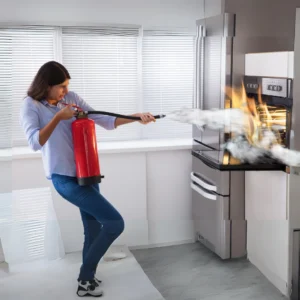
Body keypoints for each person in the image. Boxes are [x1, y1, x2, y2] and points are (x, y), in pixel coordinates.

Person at [19, 61, 156, 297]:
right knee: (115, 223)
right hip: (64, 178)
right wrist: (59, 118)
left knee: (92, 229)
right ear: (47, 85)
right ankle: (85, 275)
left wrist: (134, 117)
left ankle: (87, 280)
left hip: (87, 174)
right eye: (61, 87)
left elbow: (102, 118)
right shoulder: (31, 106)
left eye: (66, 86)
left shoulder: (70, 97)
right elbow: (34, 142)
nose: (65, 91)